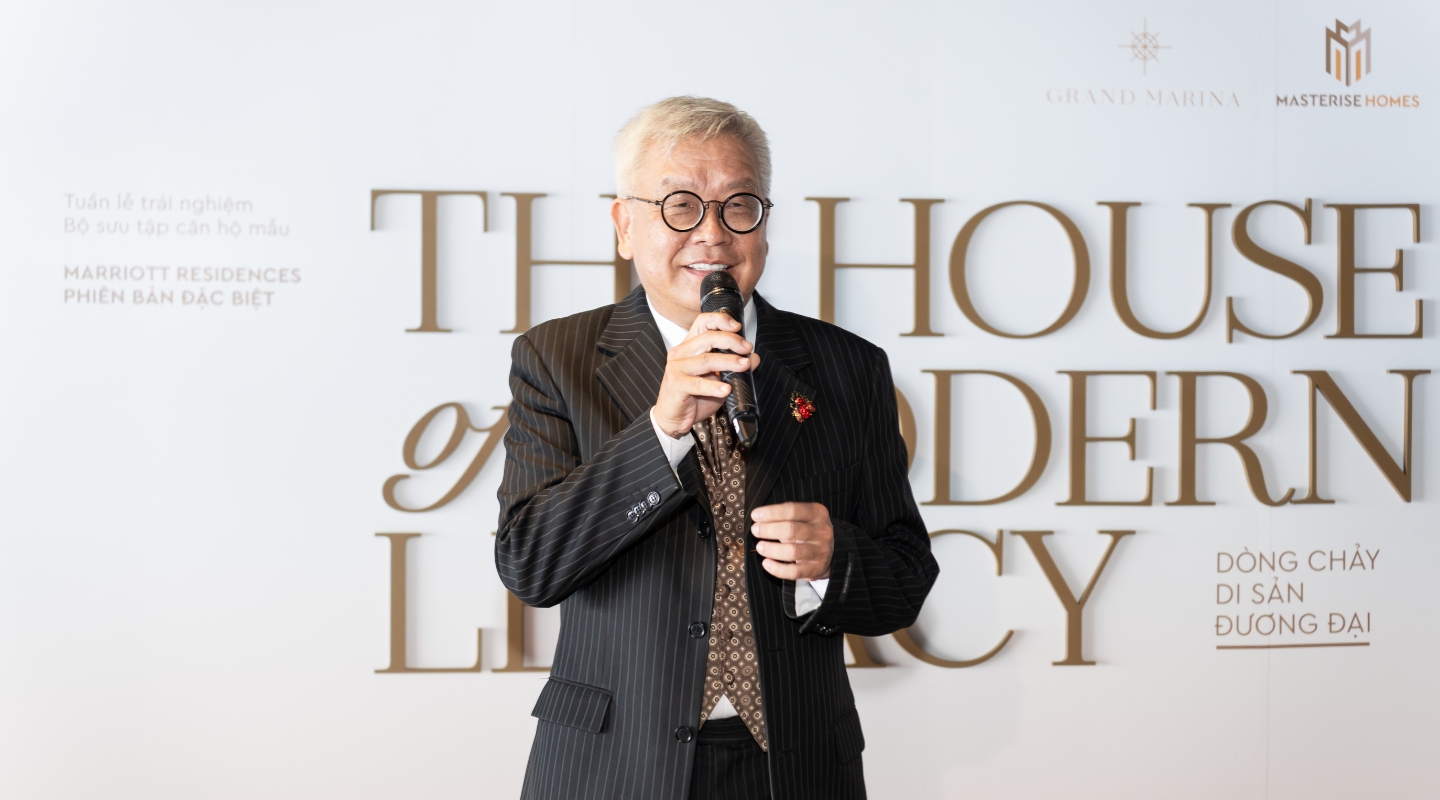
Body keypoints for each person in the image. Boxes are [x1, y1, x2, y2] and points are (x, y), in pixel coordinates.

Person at [496, 96, 938, 800]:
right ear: (625, 225)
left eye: (739, 206)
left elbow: (906, 577)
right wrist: (662, 430)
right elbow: (530, 563)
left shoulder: (848, 367)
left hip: (797, 767)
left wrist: (836, 559)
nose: (712, 233)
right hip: (613, 765)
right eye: (679, 206)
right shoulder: (558, 358)